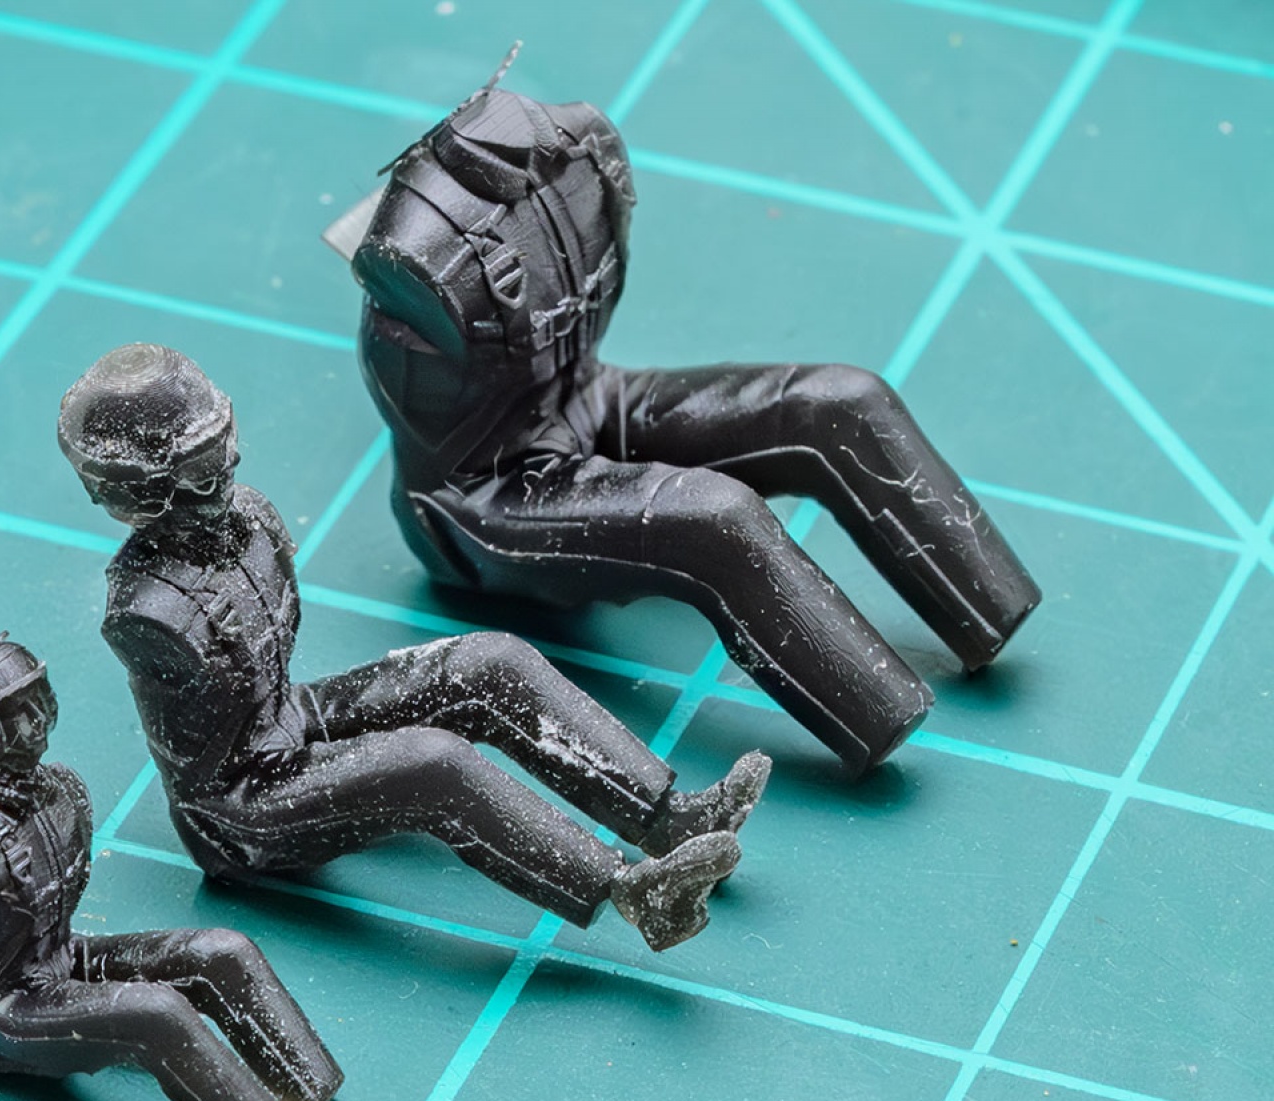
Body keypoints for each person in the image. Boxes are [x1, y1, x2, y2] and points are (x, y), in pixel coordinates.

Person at [330, 76, 1042, 773]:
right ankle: (879, 713)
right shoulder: (409, 256)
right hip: (484, 494)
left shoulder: (579, 150)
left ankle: (989, 608)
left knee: (839, 403)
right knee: (714, 522)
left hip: (587, 395)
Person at [58, 344, 771, 952]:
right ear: (138, 491)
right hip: (242, 803)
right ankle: (632, 892)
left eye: (221, 446)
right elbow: (221, 759)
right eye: (195, 465)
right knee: (431, 765)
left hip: (291, 720)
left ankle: (669, 818)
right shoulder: (148, 612)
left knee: (490, 665)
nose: (222, 471)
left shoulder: (252, 519)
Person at [0, 634, 341, 1101]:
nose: (36, 721)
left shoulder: (63, 790)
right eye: (14, 712)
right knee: (156, 1014)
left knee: (220, 951)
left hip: (61, 959)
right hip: (2, 1010)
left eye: (38, 700)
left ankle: (310, 1084)